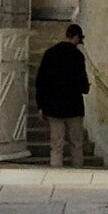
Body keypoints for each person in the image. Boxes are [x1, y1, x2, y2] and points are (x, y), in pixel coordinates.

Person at [35, 22, 91, 167]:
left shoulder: (50, 53)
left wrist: (41, 105)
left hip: (53, 106)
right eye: (79, 40)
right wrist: (86, 87)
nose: (79, 43)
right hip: (74, 106)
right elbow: (83, 84)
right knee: (76, 143)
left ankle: (56, 170)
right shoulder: (77, 56)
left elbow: (41, 81)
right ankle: (77, 170)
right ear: (76, 37)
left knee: (56, 144)